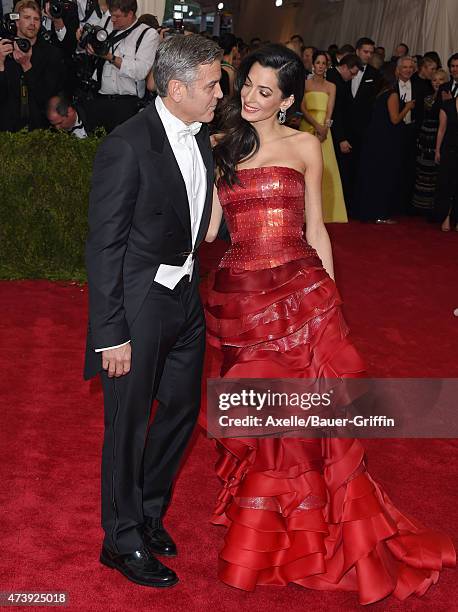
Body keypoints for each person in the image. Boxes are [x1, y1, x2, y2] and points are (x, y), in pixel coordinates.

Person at [204, 43, 455, 603]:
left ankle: (301, 535)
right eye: (247, 85)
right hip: (244, 302)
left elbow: (316, 229)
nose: (249, 97)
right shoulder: (220, 144)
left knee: (307, 424)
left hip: (301, 297)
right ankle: (271, 529)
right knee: (263, 423)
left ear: (289, 99)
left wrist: (332, 303)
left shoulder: (303, 146)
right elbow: (211, 229)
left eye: (265, 91)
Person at [84, 34, 223, 588]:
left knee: (182, 410)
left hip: (186, 298)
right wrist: (111, 333)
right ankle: (119, 541)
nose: (220, 94)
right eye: (212, 85)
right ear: (176, 87)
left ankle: (147, 513)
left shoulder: (201, 134)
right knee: (126, 427)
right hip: (138, 305)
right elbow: (103, 247)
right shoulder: (127, 144)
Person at [85, 0, 160, 132]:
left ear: (130, 14)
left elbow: (140, 71)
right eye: (112, 15)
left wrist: (110, 57)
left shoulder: (148, 34)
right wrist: (88, 45)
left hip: (126, 104)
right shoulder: (107, 22)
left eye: (117, 16)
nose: (113, 20)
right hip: (98, 98)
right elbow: (90, 42)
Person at [354, 68, 415, 223]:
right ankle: (381, 213)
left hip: (375, 140)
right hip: (386, 142)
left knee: (374, 176)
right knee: (384, 176)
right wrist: (407, 107)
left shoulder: (379, 94)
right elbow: (395, 119)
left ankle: (370, 211)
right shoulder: (392, 94)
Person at [0, 0, 65, 131]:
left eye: (36, 19)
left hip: (40, 131)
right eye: (27, 18)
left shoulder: (52, 54)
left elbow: (47, 98)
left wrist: (27, 66)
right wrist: (0, 64)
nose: (32, 23)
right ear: (17, 21)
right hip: (6, 130)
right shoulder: (3, 50)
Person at [299, 50, 347, 222]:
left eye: (323, 63)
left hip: (325, 131)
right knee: (305, 168)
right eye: (317, 63)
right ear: (313, 65)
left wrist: (325, 127)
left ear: (327, 66)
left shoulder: (331, 86)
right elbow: (303, 108)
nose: (320, 66)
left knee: (325, 169)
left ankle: (327, 212)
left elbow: (330, 110)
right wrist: (316, 125)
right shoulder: (305, 84)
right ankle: (302, 212)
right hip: (308, 126)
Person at [347, 37, 380, 217]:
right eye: (365, 51)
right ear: (357, 51)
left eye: (370, 52)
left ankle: (356, 206)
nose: (368, 55)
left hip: (364, 131)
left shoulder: (375, 75)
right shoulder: (344, 70)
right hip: (344, 129)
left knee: (359, 169)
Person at [326, 53, 362, 216]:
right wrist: (341, 138)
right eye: (352, 73)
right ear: (345, 67)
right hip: (332, 132)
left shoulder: (341, 80)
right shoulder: (335, 80)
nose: (353, 76)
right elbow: (336, 114)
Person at [412, 69, 448, 214]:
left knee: (436, 173)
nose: (437, 82)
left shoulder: (449, 98)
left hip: (440, 136)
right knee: (423, 171)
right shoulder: (427, 98)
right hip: (425, 136)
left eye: (440, 80)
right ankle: (421, 206)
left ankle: (434, 208)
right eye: (434, 80)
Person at [434, 94, 458, 231]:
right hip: (449, 150)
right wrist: (437, 150)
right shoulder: (448, 105)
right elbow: (441, 129)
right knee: (447, 184)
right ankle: (446, 216)